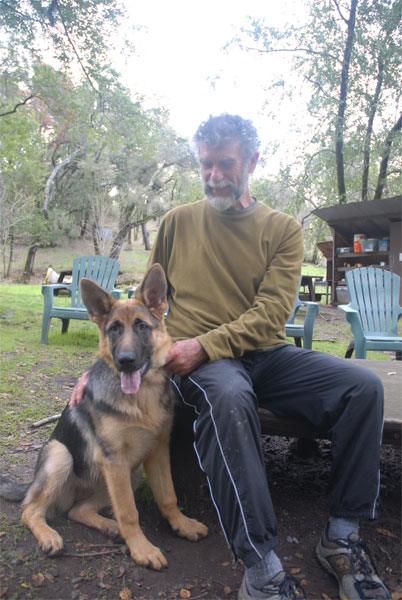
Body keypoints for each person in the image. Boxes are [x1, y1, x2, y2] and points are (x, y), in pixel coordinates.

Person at [71, 114, 391, 600]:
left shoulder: (282, 229)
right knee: (229, 398)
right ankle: (261, 566)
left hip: (264, 353)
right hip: (198, 362)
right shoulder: (177, 222)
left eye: (225, 164)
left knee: (363, 387)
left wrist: (207, 343)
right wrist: (102, 369)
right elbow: (140, 306)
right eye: (206, 165)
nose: (214, 175)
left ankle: (342, 535)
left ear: (253, 162)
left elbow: (272, 314)